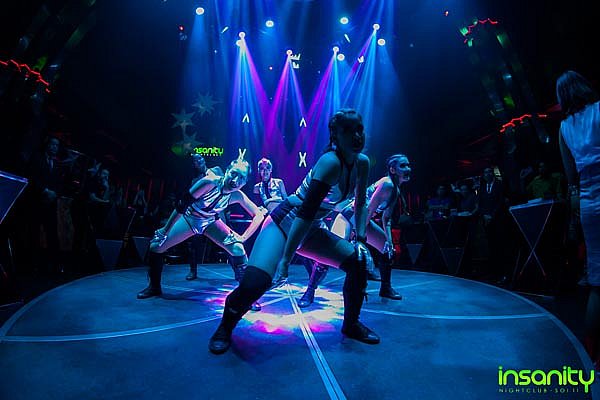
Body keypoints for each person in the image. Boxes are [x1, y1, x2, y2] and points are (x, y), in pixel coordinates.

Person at [208, 108, 379, 355]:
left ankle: (351, 325)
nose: (357, 136)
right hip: (284, 223)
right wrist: (286, 260)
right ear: (335, 135)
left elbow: (361, 204)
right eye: (349, 131)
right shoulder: (331, 163)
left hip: (310, 228)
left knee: (357, 262)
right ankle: (224, 327)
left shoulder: (362, 163)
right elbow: (304, 213)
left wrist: (361, 240)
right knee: (255, 284)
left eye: (359, 129)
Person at [137, 157, 266, 312]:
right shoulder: (209, 182)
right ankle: (154, 287)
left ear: (244, 182)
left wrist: (243, 237)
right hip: (190, 219)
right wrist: (165, 230)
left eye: (241, 178)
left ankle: (247, 296)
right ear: (227, 171)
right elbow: (181, 205)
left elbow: (258, 215)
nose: (235, 180)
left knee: (238, 249)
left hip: (210, 222)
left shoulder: (237, 195)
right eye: (234, 173)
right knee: (156, 246)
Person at [297, 154, 411, 307]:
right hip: (348, 218)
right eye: (403, 166)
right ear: (392, 170)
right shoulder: (387, 184)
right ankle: (309, 291)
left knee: (386, 249)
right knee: (326, 255)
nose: (408, 169)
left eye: (408, 165)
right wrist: (357, 236)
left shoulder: (395, 190)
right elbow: (367, 210)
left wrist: (389, 241)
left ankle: (385, 288)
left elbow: (386, 218)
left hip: (363, 221)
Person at [556, 70, 600, 366]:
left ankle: (593, 358)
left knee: (597, 281)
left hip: (588, 201)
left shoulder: (564, 127)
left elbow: (570, 175)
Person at [186, 154, 208, 281]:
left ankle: (238, 270)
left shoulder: (216, 171)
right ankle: (193, 271)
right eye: (195, 160)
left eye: (199, 158)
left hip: (216, 215)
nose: (198, 161)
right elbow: (192, 199)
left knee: (227, 241)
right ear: (194, 165)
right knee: (193, 244)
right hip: (200, 216)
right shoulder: (195, 181)